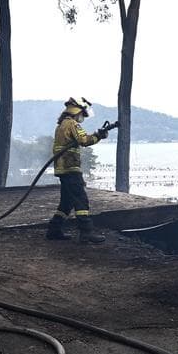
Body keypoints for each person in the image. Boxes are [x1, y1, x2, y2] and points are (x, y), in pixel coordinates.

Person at [47, 97, 110, 244]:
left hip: (63, 169)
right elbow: (84, 141)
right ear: (77, 112)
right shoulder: (72, 124)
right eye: (83, 114)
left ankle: (54, 230)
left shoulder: (62, 124)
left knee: (67, 202)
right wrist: (99, 136)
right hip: (70, 168)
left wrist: (97, 135)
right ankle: (86, 232)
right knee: (81, 200)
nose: (83, 117)